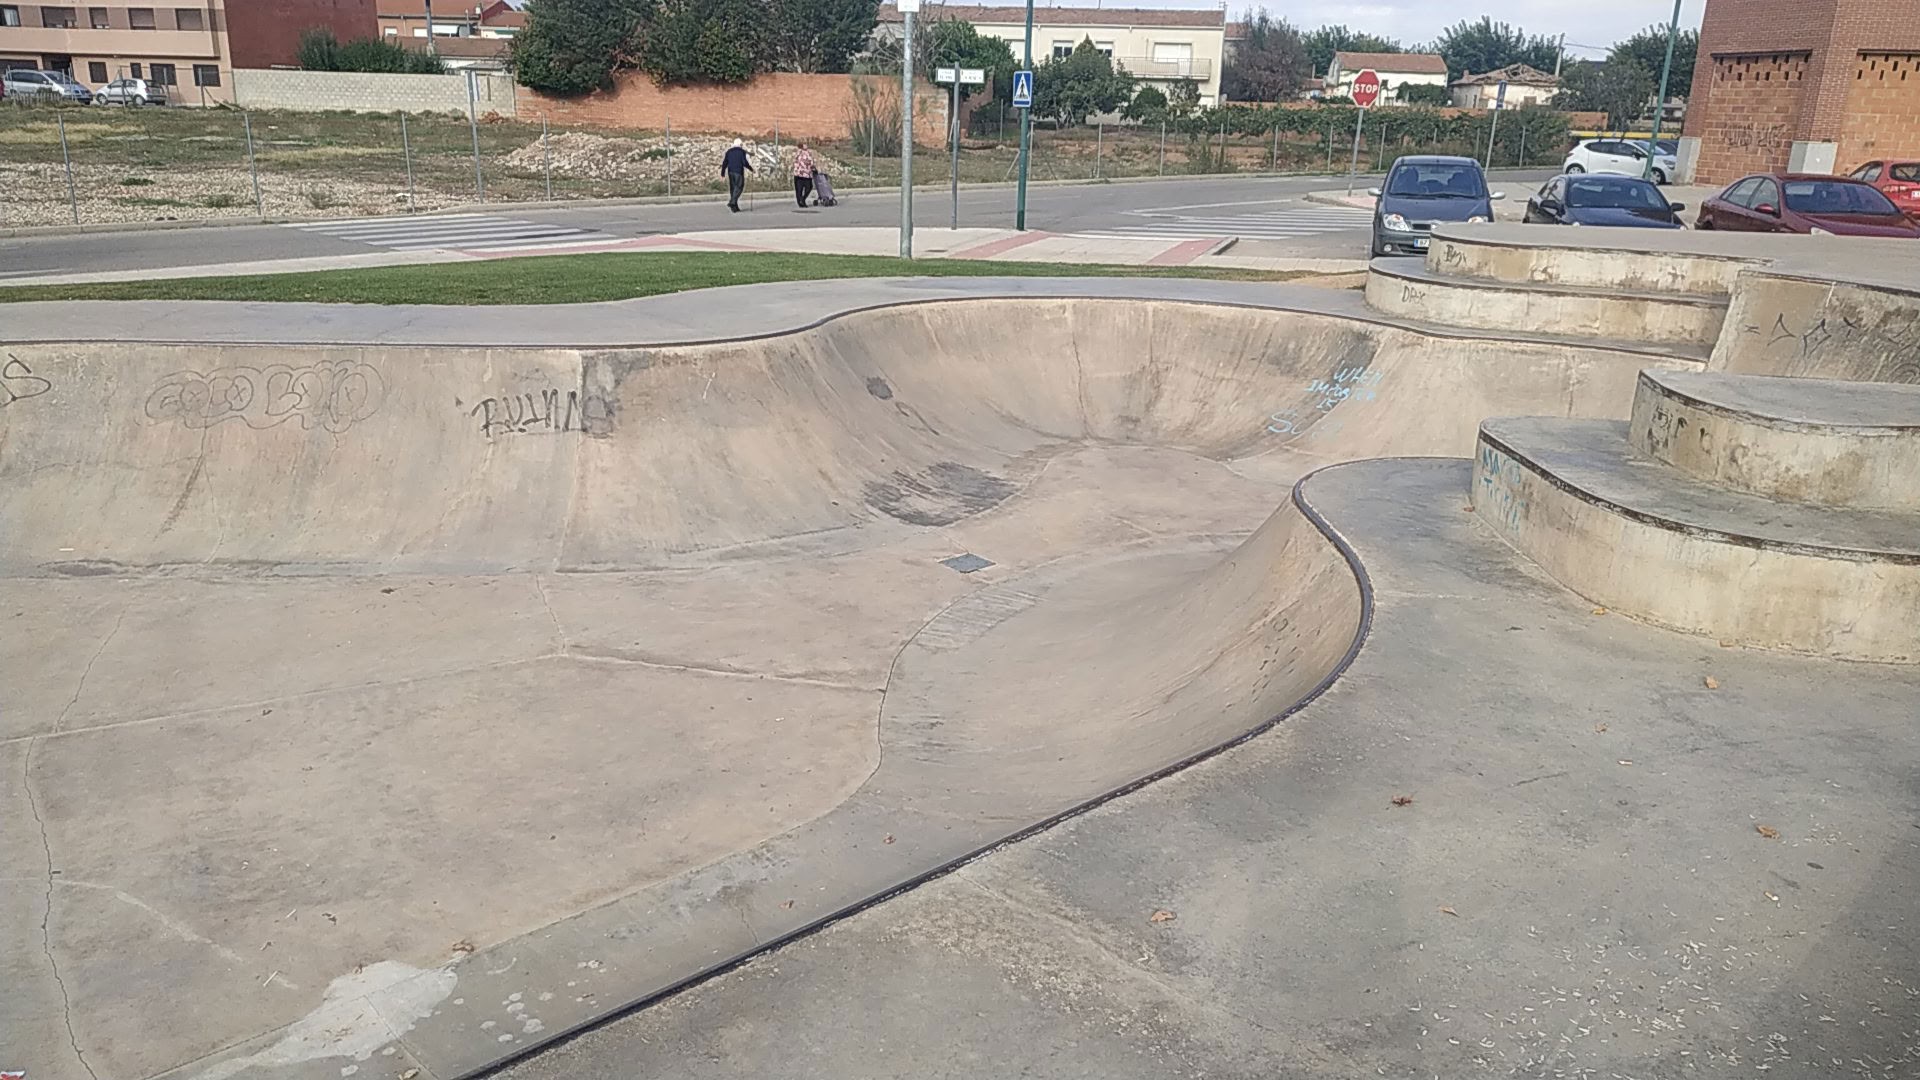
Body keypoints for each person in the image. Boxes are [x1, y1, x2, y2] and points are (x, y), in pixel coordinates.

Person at [720, 138, 752, 213]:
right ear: (740, 145)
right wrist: (751, 169)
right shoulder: (742, 152)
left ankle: (734, 207)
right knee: (739, 187)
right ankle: (732, 202)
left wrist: (722, 173)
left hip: (730, 172)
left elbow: (725, 163)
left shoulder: (729, 151)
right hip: (738, 172)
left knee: (733, 189)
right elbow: (744, 162)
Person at [791, 143, 817, 208]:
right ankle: (802, 199)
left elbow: (794, 162)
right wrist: (814, 169)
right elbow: (811, 163)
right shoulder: (807, 153)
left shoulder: (797, 153)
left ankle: (800, 201)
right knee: (808, 187)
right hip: (806, 174)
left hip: (798, 174)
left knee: (799, 189)